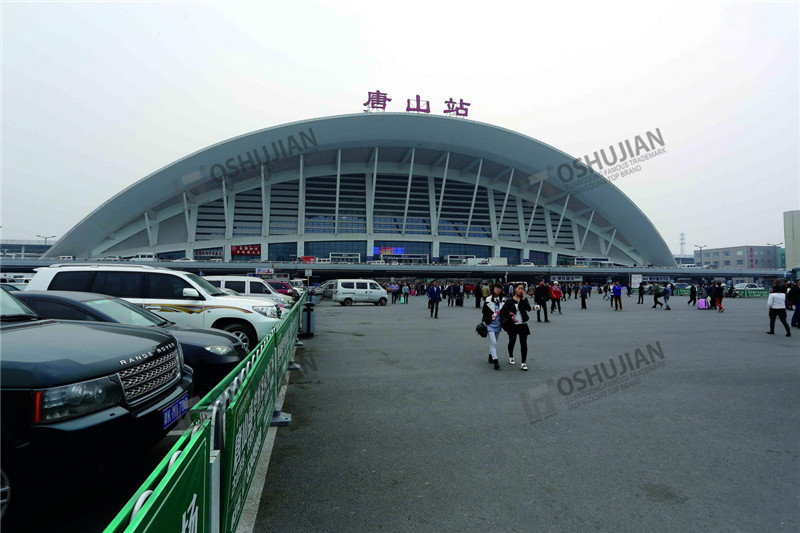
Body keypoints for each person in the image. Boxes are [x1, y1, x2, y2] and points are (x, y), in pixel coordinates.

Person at [500, 283, 532, 371]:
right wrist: (510, 315)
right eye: (519, 288)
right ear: (515, 289)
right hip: (512, 324)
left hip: (522, 324)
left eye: (522, 289)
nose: (521, 290)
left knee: (523, 343)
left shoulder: (524, 299)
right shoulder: (509, 300)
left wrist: (524, 299)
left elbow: (529, 309)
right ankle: (511, 355)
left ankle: (523, 363)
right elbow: (503, 311)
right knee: (512, 341)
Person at [482, 283, 505, 370]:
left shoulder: (502, 300)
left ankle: (490, 356)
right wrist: (491, 315)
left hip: (498, 324)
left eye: (499, 288)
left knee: (494, 342)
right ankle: (496, 361)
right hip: (490, 324)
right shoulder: (488, 299)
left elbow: (505, 311)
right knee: (494, 342)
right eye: (496, 288)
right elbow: (484, 311)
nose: (498, 290)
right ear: (493, 289)